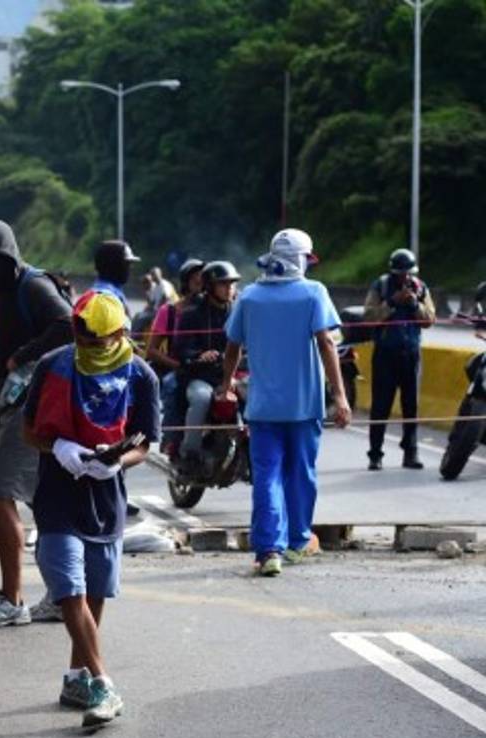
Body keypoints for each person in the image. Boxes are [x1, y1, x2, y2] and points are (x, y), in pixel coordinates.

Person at [22, 290, 158, 726]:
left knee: (95, 592)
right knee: (70, 589)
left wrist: (116, 461)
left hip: (105, 498)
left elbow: (144, 445)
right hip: (57, 494)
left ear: (120, 333)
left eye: (99, 340)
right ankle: (104, 684)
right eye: (83, 339)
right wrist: (59, 447)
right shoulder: (53, 366)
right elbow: (28, 431)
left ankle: (76, 677)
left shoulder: (140, 376)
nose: (91, 347)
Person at [220, 229, 351, 577]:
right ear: (301, 260)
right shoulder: (313, 293)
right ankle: (297, 542)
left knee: (267, 476)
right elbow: (327, 342)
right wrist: (340, 396)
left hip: (263, 408)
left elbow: (232, 346)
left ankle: (268, 551)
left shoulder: (250, 296)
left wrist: (226, 383)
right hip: (304, 406)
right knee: (301, 474)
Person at [0, 218, 73, 630]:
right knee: (44, 503)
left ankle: (12, 601)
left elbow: (67, 324)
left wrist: (22, 355)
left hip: (32, 408)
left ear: (9, 256)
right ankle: (63, 597)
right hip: (11, 405)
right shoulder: (0, 288)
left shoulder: (33, 285)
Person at [363, 248, 436, 470]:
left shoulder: (420, 287)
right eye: (401, 273)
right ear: (393, 272)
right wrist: (392, 303)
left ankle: (410, 453)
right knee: (381, 406)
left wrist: (414, 303)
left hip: (410, 353)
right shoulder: (381, 286)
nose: (405, 277)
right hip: (385, 354)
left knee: (411, 406)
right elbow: (369, 317)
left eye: (408, 273)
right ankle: (375, 454)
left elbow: (430, 318)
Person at [172, 261, 240, 468]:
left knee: (257, 394)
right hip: (200, 377)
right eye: (223, 284)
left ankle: (255, 448)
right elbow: (181, 349)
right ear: (210, 286)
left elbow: (251, 346)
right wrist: (199, 355)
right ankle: (189, 453)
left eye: (232, 284)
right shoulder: (191, 314)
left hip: (234, 376)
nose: (229, 288)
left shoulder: (239, 313)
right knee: (201, 398)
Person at [146, 259, 206, 454]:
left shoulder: (214, 311)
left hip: (208, 369)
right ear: (186, 283)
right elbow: (151, 350)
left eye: (205, 281)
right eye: (196, 281)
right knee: (172, 386)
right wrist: (178, 365)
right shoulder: (170, 311)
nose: (201, 286)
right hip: (180, 367)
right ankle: (171, 438)